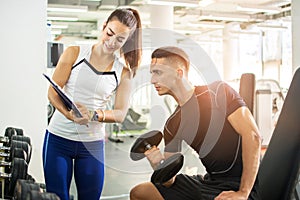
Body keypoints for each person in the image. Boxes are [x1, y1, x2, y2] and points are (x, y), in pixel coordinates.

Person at [130, 46, 262, 200]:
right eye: (152, 73)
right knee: (140, 193)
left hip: (241, 183)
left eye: (158, 72)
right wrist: (158, 164)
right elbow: (169, 181)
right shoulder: (172, 124)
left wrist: (243, 192)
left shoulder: (218, 91)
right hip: (210, 183)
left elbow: (253, 136)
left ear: (179, 73)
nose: (153, 80)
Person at [43, 8, 142, 200]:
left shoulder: (122, 72)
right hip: (58, 138)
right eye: (109, 33)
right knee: (57, 197)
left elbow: (121, 113)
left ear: (126, 42)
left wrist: (94, 115)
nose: (112, 42)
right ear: (104, 27)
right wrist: (68, 114)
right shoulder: (75, 52)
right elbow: (52, 93)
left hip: (92, 146)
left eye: (120, 40)